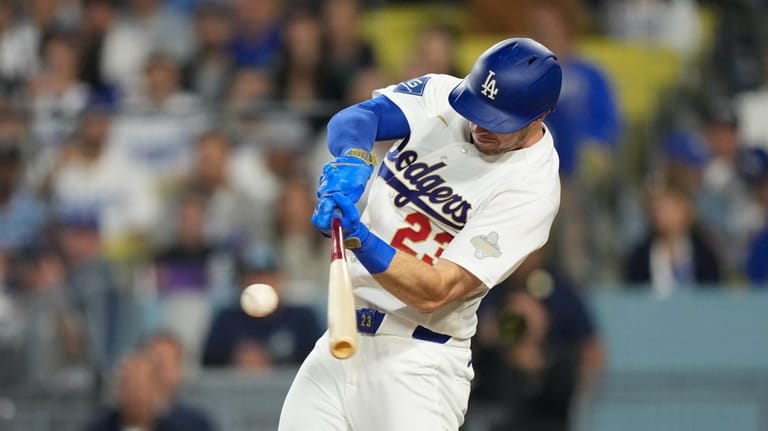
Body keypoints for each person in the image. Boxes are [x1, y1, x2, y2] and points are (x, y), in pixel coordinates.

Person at [278, 37, 563, 430]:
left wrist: (360, 237)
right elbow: (359, 118)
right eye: (478, 107)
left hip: (417, 363)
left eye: (498, 120)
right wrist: (355, 158)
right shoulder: (444, 95)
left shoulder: (532, 187)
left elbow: (438, 291)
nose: (481, 123)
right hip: (341, 337)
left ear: (539, 117)